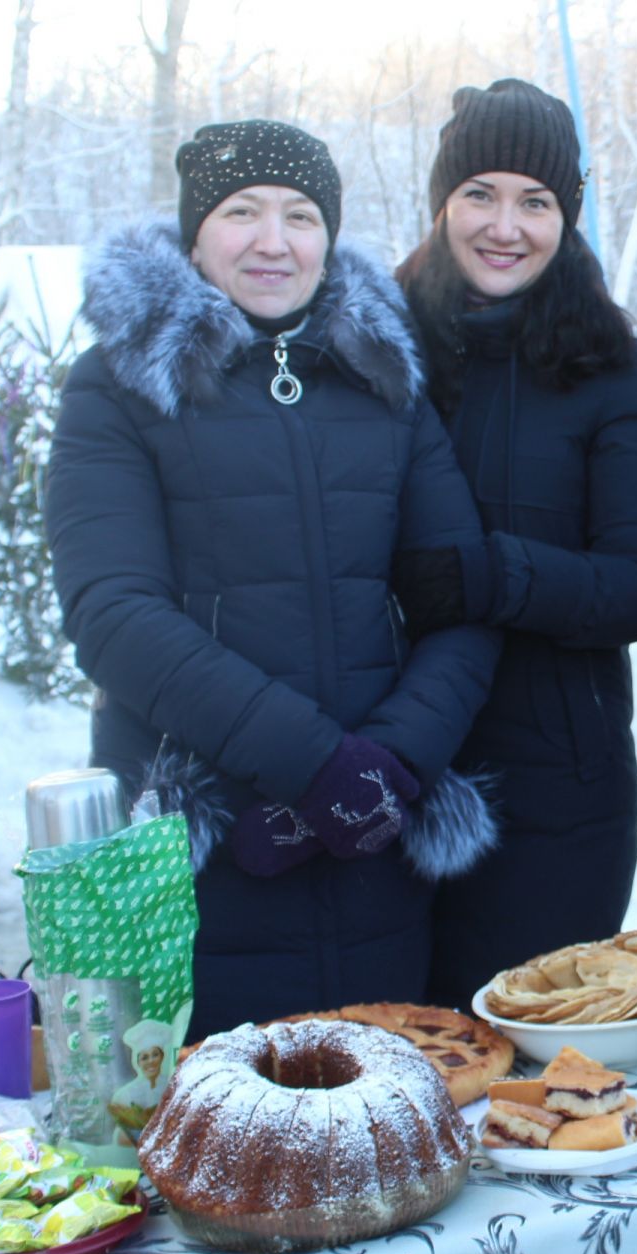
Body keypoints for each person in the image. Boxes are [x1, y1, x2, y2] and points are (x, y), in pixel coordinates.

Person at [45, 120, 501, 1040]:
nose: (273, 240)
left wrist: (389, 767)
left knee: (383, 1126)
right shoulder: (117, 388)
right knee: (227, 1141)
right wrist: (311, 766)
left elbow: (461, 597)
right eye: (242, 212)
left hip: (376, 839)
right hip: (202, 848)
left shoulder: (385, 384)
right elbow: (112, 613)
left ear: (328, 236)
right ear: (195, 235)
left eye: (300, 215)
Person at [392, 79, 637, 1005]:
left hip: (555, 793)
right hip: (379, 771)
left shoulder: (613, 369)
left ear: (569, 217)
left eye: (536, 201)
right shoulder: (377, 347)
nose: (504, 225)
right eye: (480, 193)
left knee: (531, 1071)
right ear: (442, 202)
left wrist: (488, 575)